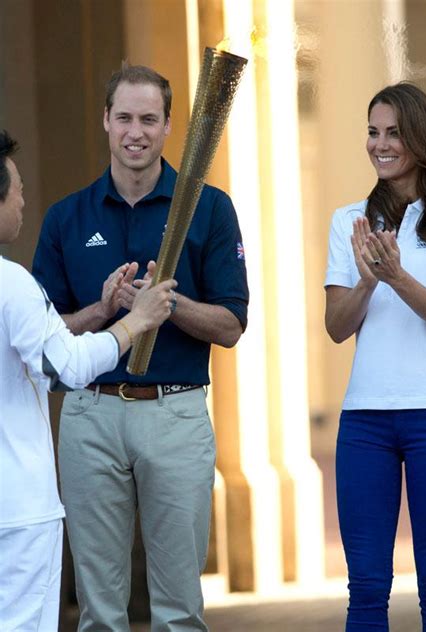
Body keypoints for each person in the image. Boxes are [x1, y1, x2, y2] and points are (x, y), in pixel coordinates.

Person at [32, 63, 249, 631]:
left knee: (179, 612)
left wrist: (166, 304)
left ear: (169, 125)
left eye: (149, 119)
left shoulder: (209, 208)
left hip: (175, 413)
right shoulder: (66, 217)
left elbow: (231, 325)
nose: (136, 131)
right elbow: (45, 341)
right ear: (105, 121)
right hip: (90, 415)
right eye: (124, 117)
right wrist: (104, 312)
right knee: (100, 613)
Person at [0, 129, 176, 632]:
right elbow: (65, 367)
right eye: (15, 189)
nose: (23, 199)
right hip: (17, 512)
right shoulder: (11, 282)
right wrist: (133, 321)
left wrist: (100, 310)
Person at [324, 82, 426, 632]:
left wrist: (396, 276)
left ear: (420, 139)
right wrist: (366, 283)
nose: (380, 144)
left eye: (393, 133)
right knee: (365, 589)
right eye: (372, 132)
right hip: (364, 422)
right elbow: (337, 328)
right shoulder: (350, 221)